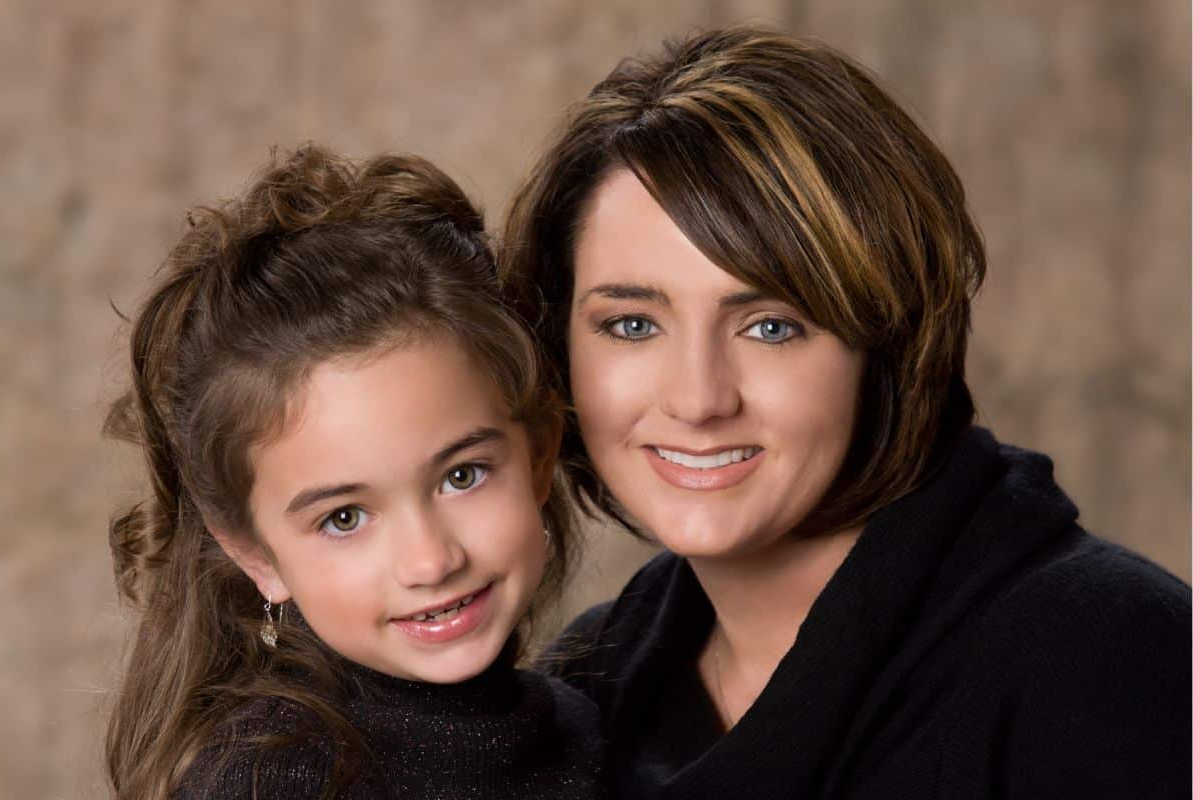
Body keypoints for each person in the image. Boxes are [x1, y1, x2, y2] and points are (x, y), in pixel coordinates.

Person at [500, 26, 1191, 799]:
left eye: (771, 327)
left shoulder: (1119, 659)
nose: (697, 399)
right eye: (632, 324)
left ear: (884, 341)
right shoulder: (588, 685)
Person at [103, 144, 604, 799]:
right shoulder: (274, 783)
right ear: (257, 557)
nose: (430, 561)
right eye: (344, 518)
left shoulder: (583, 727)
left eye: (462, 476)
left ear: (539, 451)